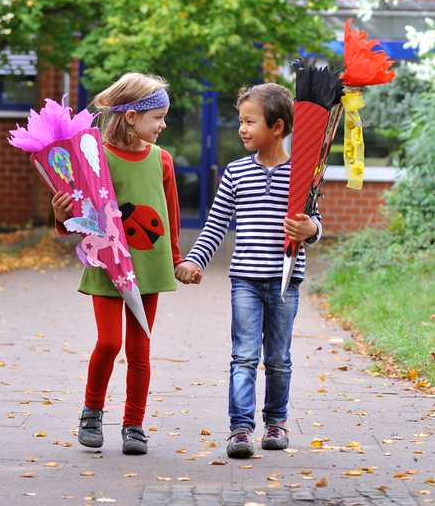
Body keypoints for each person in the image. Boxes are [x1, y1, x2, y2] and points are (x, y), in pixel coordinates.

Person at [175, 83, 322, 459]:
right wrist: (194, 260)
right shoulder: (236, 173)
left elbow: (317, 224)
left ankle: (276, 423)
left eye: (249, 121)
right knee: (243, 354)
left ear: (277, 127)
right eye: (241, 120)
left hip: (286, 280)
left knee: (278, 358)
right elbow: (215, 224)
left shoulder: (303, 175)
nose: (241, 128)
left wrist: (310, 231)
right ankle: (240, 429)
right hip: (245, 280)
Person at [52, 73, 182, 455]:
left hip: (149, 265)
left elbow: (171, 214)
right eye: (157, 117)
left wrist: (176, 259)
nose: (162, 124)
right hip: (107, 264)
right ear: (130, 117)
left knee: (140, 349)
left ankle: (134, 424)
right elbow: (81, 214)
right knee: (109, 342)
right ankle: (92, 412)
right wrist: (60, 215)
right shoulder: (95, 158)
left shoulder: (163, 160)